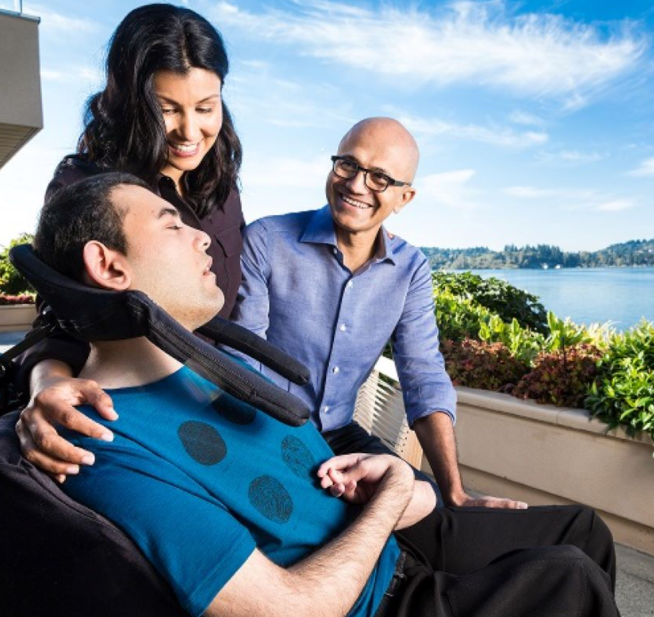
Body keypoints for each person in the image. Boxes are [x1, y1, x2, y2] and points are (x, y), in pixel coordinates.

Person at [33, 172, 620, 617]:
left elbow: (416, 387)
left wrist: (420, 490)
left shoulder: (223, 369)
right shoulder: (101, 441)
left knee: (583, 533)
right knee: (566, 577)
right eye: (172, 225)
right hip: (375, 595)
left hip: (382, 538)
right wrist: (394, 493)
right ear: (107, 266)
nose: (205, 242)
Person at [20, 116, 525, 510]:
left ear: (404, 197)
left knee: (440, 511)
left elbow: (423, 376)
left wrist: (454, 489)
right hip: (270, 426)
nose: (356, 183)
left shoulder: (412, 269)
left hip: (344, 431)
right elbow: (246, 350)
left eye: (379, 177)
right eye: (346, 164)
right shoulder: (266, 238)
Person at [15, 4, 245, 478]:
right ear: (127, 103)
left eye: (206, 108)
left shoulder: (221, 182)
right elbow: (63, 317)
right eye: (166, 110)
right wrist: (46, 384)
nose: (190, 131)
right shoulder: (85, 185)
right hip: (139, 416)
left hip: (220, 402)